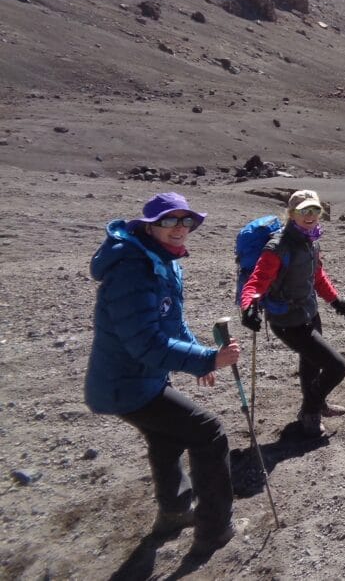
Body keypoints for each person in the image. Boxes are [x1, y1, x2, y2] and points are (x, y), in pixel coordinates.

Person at [85, 192, 241, 557]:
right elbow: (146, 344)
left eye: (185, 221)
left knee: (166, 437)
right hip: (127, 384)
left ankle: (174, 512)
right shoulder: (132, 270)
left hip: (142, 379)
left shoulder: (160, 260)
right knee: (209, 432)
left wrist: (199, 358)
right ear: (149, 225)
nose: (179, 229)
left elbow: (172, 322)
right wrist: (207, 359)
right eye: (169, 221)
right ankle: (214, 529)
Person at [239, 189, 345, 437]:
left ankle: (316, 407)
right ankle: (309, 410)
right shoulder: (278, 246)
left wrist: (337, 302)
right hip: (288, 319)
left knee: (312, 362)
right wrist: (248, 306)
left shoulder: (310, 239)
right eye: (305, 211)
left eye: (315, 210)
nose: (311, 215)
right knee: (337, 367)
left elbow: (317, 276)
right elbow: (256, 281)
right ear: (292, 214)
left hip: (309, 311)